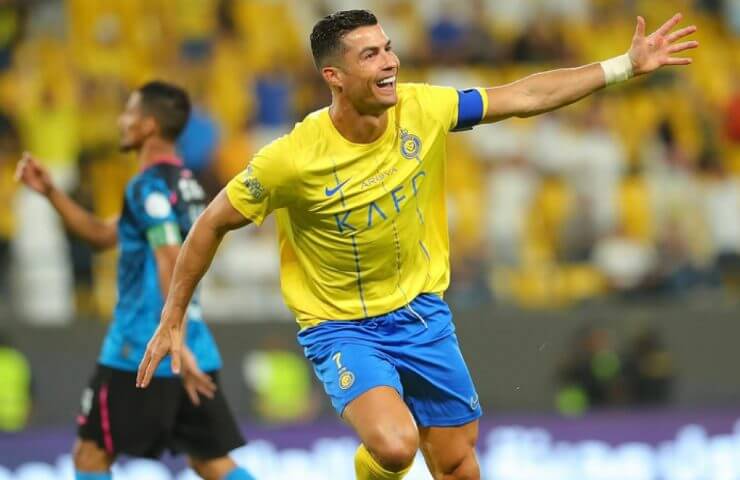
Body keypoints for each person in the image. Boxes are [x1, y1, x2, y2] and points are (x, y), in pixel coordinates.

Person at [137, 10, 698, 480]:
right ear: (334, 75)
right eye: (370, 56)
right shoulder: (291, 158)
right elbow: (210, 223)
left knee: (458, 466)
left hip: (422, 314)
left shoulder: (424, 109)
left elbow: (523, 95)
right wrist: (174, 314)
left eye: (388, 49)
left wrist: (624, 66)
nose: (389, 63)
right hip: (342, 325)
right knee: (395, 445)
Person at [16, 81, 255, 480]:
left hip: (140, 349)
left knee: (90, 456)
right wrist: (52, 192)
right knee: (211, 463)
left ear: (146, 126)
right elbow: (99, 235)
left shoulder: (147, 187)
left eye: (128, 113)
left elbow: (169, 257)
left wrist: (170, 331)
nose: (120, 121)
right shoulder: (188, 186)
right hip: (192, 347)